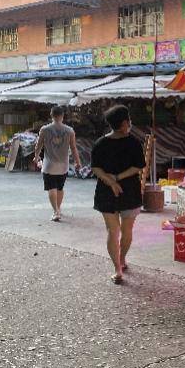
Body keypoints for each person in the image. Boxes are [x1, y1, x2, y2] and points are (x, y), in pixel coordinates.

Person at [90, 105, 147, 285]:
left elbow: (95, 168)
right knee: (126, 230)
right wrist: (118, 179)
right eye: (128, 120)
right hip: (129, 191)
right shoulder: (134, 142)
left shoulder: (100, 143)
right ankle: (121, 260)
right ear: (124, 123)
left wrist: (111, 181)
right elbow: (138, 166)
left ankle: (117, 269)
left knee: (112, 231)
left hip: (105, 192)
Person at [34, 106, 81, 222]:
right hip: (63, 165)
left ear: (51, 115)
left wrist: (36, 157)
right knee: (60, 188)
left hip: (49, 165)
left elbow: (38, 145)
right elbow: (74, 148)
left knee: (51, 188)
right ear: (62, 116)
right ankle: (58, 209)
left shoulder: (44, 129)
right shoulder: (70, 130)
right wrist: (77, 162)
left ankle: (56, 211)